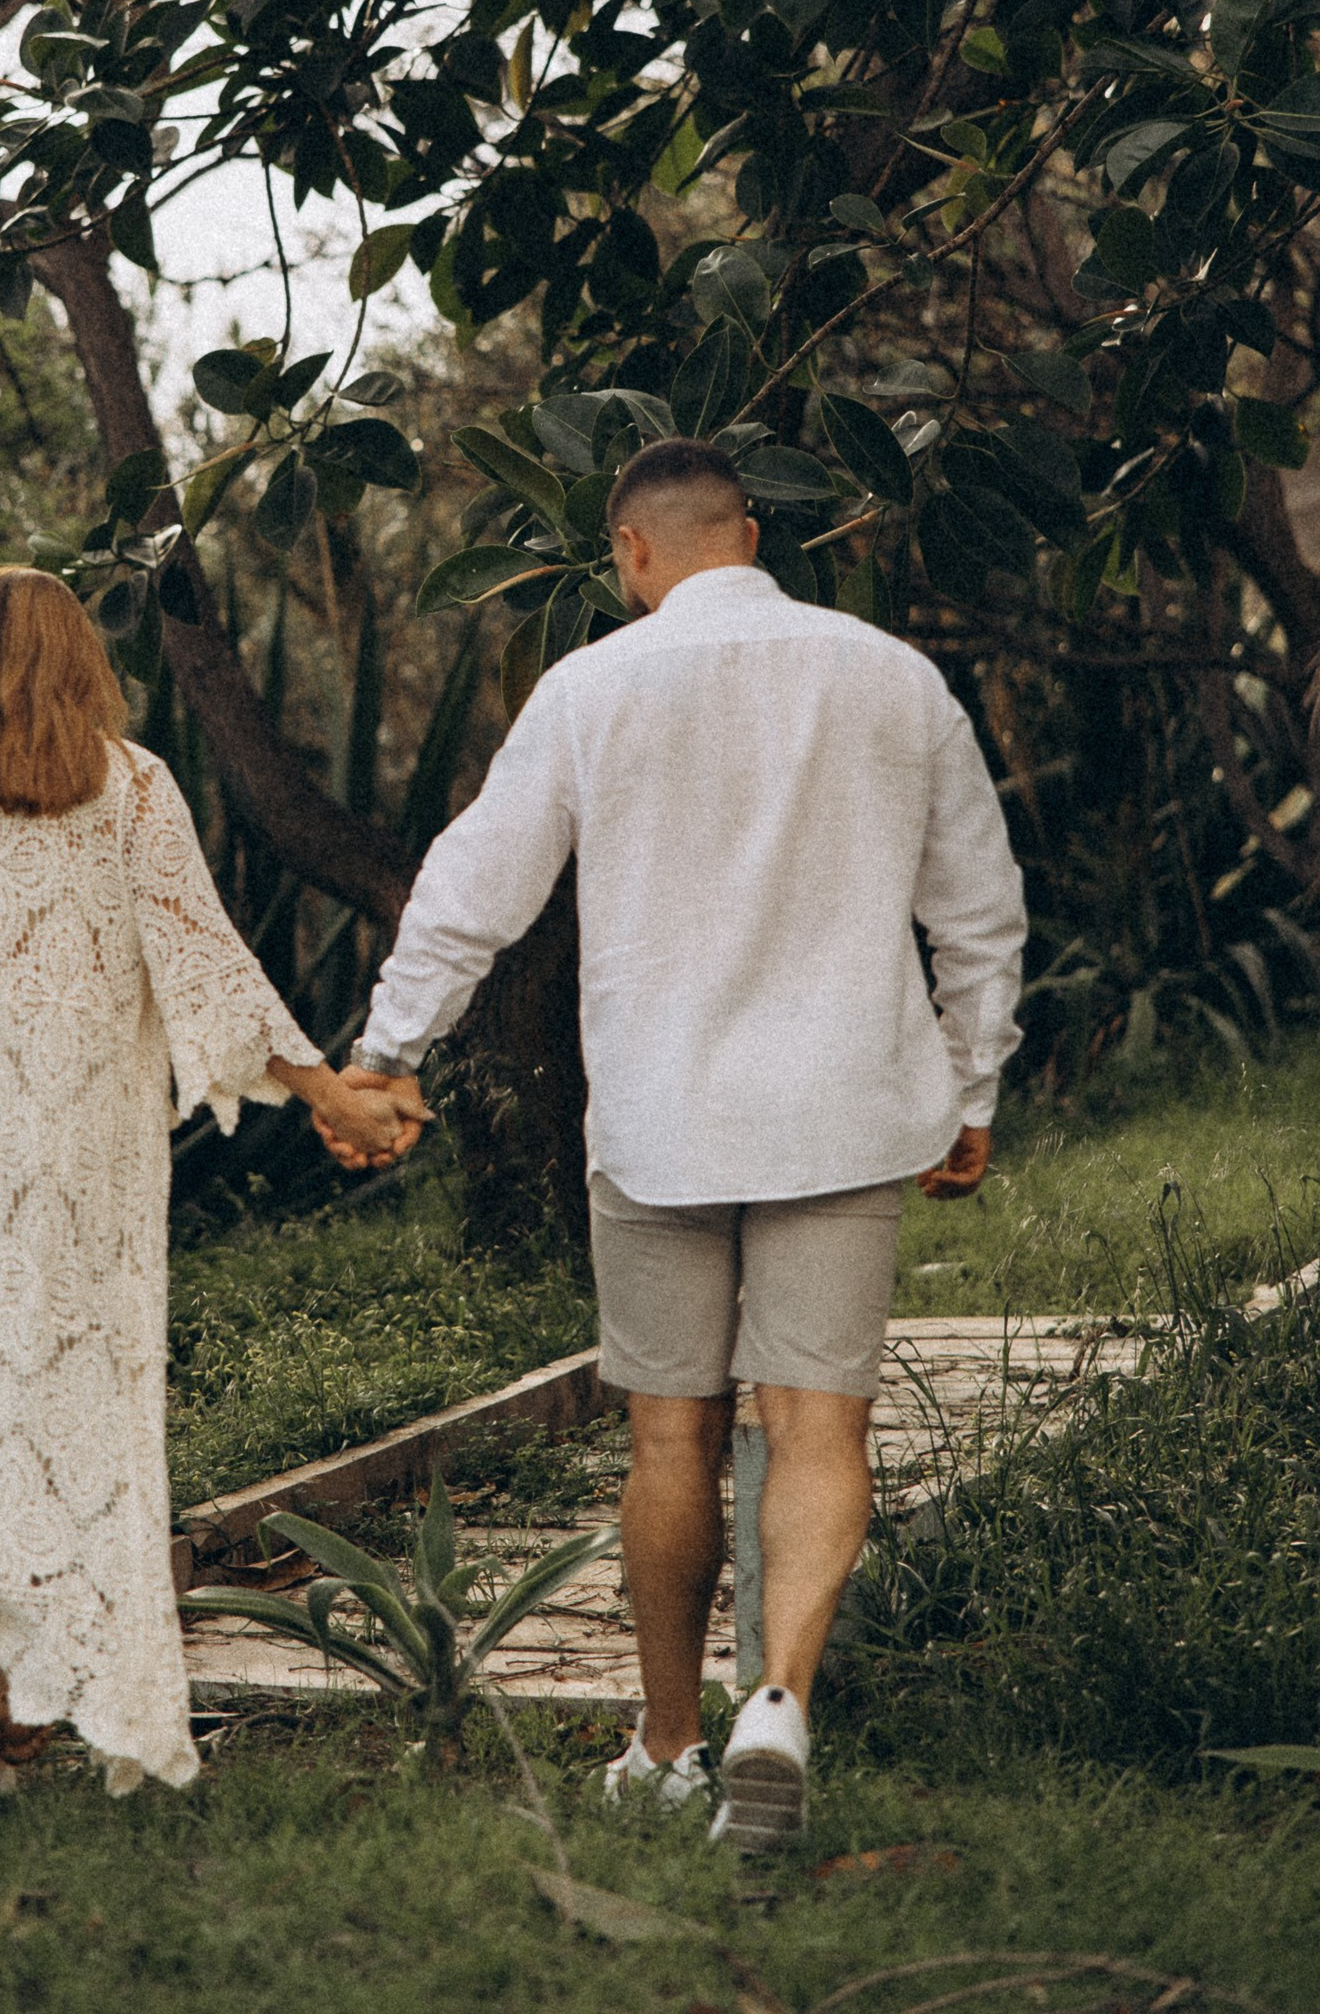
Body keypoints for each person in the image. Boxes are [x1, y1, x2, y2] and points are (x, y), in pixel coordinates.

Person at [334, 436, 1025, 1849]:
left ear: (630, 553)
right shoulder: (892, 679)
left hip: (659, 1121)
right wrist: (974, 1090)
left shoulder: (590, 688)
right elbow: (980, 906)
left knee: (670, 1433)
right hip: (843, 1111)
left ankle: (663, 1748)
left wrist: (387, 1052)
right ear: (753, 538)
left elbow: (478, 884)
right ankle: (778, 1704)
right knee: (819, 1421)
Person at [0, 566, 421, 1798]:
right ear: (79, 661)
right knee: (47, 1412)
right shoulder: (129, 786)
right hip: (68, 1174)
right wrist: (323, 1090)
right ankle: (3, 1685)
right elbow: (204, 961)